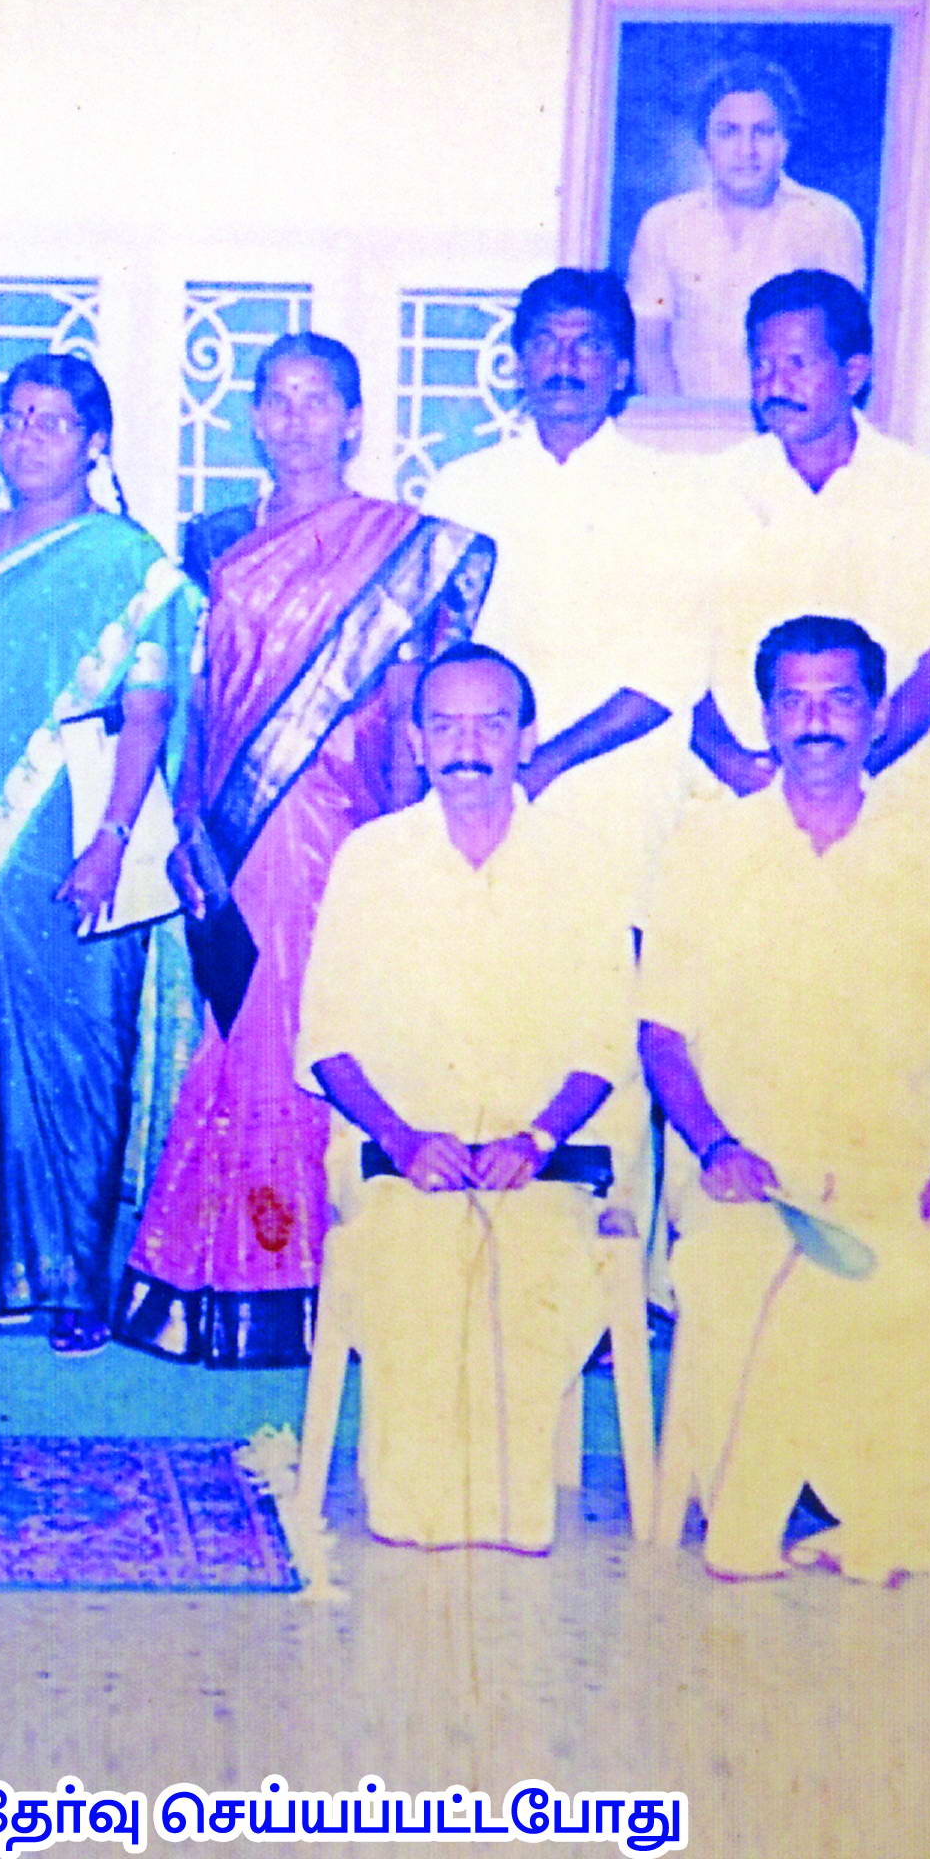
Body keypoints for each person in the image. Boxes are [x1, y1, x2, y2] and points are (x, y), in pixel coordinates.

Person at [115, 334, 492, 1367]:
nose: (294, 418)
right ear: (252, 416)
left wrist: (411, 820)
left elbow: (416, 689)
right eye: (274, 399)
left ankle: (296, 1282)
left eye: (316, 399)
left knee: (308, 1027)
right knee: (234, 1027)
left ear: (355, 418)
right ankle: (213, 1278)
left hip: (339, 816)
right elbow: (194, 687)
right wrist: (183, 821)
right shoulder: (212, 541)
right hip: (225, 825)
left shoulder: (402, 545)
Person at [644, 618, 930, 1584]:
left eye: (840, 700)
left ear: (878, 715)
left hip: (893, 1162)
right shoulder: (705, 845)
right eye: (795, 702)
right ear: (765, 716)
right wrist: (718, 1146)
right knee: (746, 1256)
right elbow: (662, 1036)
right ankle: (747, 1507)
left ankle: (889, 1520)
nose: (817, 724)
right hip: (745, 1164)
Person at [295, 647, 636, 1554]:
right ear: (413, 742)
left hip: (547, 1158)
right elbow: (326, 1038)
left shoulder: (581, 862)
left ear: (527, 739)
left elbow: (605, 1037)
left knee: (532, 1264)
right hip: (403, 1159)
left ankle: (511, 1507)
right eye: (444, 725)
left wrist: (535, 1136)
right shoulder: (373, 861)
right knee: (415, 1254)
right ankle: (417, 1510)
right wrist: (405, 1139)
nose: (467, 745)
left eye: (490, 724)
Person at [0, 351, 204, 1355]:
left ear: (95, 441)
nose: (26, 435)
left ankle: (74, 1280)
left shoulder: (126, 559)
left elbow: (144, 711)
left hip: (79, 836)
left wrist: (112, 839)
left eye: (51, 420)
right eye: (13, 416)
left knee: (82, 1049)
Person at [421, 268, 727, 843]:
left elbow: (671, 670)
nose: (565, 362)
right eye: (545, 343)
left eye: (587, 345)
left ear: (621, 372)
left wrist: (549, 762)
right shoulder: (461, 490)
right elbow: (440, 649)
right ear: (518, 364)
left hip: (623, 789)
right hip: (485, 789)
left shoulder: (677, 494)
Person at [691, 269, 930, 794]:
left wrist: (856, 774)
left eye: (798, 364)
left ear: (854, 372)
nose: (776, 385)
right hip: (738, 792)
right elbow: (674, 651)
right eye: (762, 365)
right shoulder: (709, 491)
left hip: (886, 795)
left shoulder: (925, 494)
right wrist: (729, 762)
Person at [625, 54, 867, 400]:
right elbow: (649, 343)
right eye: (728, 132)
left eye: (763, 132)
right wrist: (680, 429)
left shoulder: (829, 223)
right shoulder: (664, 225)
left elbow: (842, 347)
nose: (746, 150)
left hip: (790, 431)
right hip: (690, 431)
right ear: (705, 142)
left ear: (786, 142)